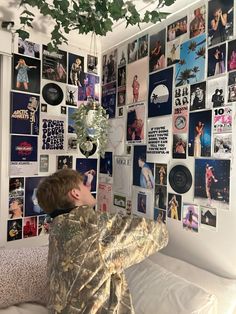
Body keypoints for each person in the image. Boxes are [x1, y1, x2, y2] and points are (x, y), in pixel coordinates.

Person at [36, 169, 168, 313]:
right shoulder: (93, 225)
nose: (88, 188)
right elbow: (160, 234)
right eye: (84, 185)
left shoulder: (56, 229)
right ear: (75, 193)